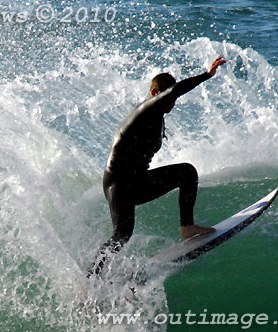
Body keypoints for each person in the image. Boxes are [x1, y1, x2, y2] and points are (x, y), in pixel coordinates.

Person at [87, 57, 227, 277]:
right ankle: (89, 281)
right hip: (119, 184)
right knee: (121, 235)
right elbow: (174, 91)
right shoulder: (145, 110)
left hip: (138, 182)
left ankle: (187, 227)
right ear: (154, 94)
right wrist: (207, 75)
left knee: (186, 172)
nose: (171, 102)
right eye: (166, 96)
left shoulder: (158, 116)